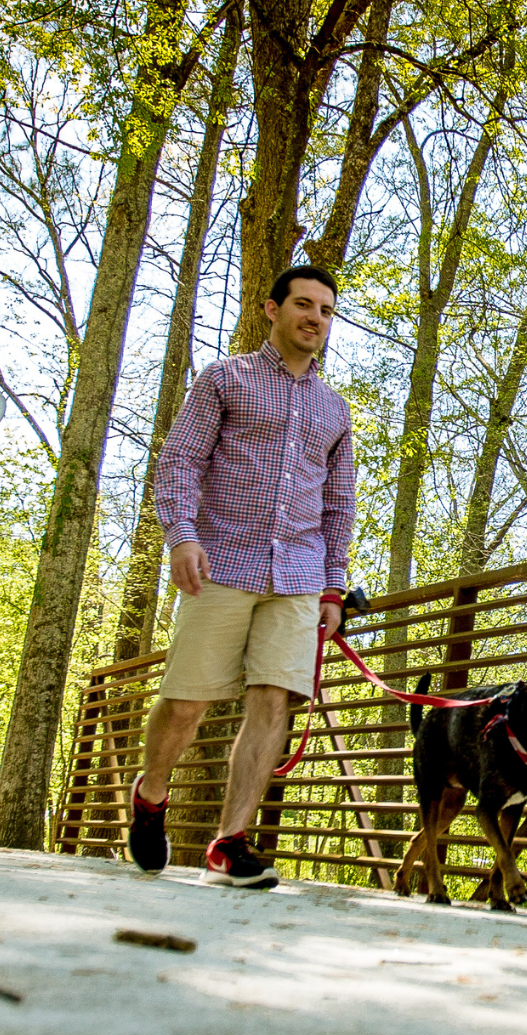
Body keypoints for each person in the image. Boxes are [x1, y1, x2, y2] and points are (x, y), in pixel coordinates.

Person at [127, 265, 356, 888]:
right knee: (186, 702)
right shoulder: (224, 379)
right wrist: (182, 538)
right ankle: (150, 794)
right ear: (271, 309)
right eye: (304, 305)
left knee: (272, 700)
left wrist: (333, 586)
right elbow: (178, 463)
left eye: (326, 310)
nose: (315, 318)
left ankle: (229, 843)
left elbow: (339, 506)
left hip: (299, 576)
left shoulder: (336, 411)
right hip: (221, 562)